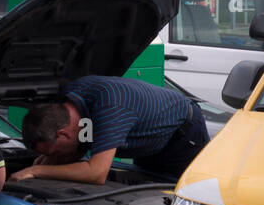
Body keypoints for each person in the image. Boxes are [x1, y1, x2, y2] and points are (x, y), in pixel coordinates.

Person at [13, 75, 208, 185]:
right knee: (146, 184)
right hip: (150, 141)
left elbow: (96, 173)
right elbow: (81, 141)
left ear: (63, 133)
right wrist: (53, 162)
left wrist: (38, 170)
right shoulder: (69, 101)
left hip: (182, 136)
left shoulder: (109, 108)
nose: (54, 157)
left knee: (180, 196)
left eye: (54, 151)